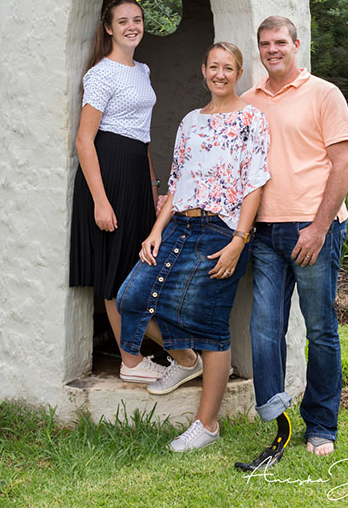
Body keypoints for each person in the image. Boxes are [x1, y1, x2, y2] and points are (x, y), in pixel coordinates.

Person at [117, 43, 270, 451]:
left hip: (222, 231)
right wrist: (155, 231)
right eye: (213, 66)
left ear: (238, 73)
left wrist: (239, 240)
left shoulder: (252, 118)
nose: (220, 74)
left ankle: (207, 424)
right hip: (179, 225)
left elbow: (254, 183)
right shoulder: (190, 121)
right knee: (131, 298)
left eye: (228, 68)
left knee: (211, 326)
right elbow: (176, 181)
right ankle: (186, 360)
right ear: (203, 70)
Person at [234, 15, 348, 472]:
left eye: (280, 42)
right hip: (265, 231)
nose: (273, 49)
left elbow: (343, 166)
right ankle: (277, 419)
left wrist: (319, 227)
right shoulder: (249, 101)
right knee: (265, 329)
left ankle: (321, 424)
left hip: (312, 228)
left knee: (320, 329)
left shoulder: (324, 94)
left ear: (296, 44)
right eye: (265, 43)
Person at [69, 0, 165, 383]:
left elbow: (143, 136)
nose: (132, 26)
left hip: (137, 174)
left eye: (137, 20)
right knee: (116, 272)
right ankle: (130, 362)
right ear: (108, 28)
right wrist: (100, 201)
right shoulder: (101, 74)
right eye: (123, 21)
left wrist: (153, 187)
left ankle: (142, 351)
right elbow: (84, 140)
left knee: (137, 267)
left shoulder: (143, 70)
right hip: (109, 175)